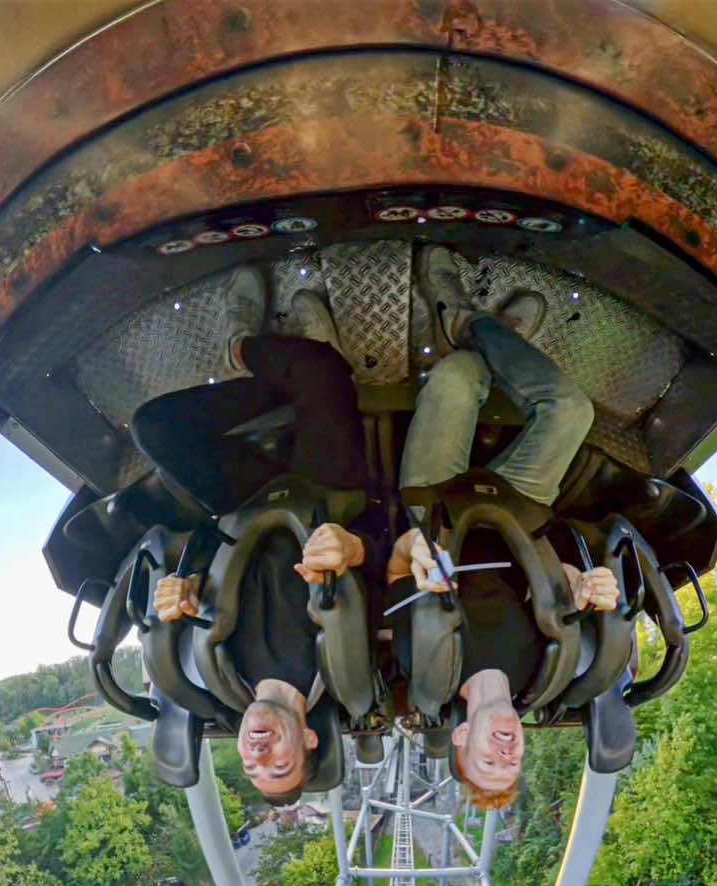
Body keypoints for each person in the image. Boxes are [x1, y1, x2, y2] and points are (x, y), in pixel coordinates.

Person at [135, 269, 393, 801]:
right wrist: (355, 547)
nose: (258, 757)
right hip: (328, 496)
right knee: (322, 372)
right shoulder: (349, 670)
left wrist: (183, 583)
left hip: (244, 506)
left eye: (253, 768)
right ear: (309, 738)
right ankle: (275, 358)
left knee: (155, 427)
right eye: (280, 765)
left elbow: (204, 553)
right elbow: (399, 571)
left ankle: (260, 363)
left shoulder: (218, 667)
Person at [387, 246, 619, 808]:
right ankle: (481, 329)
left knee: (457, 378)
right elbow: (551, 580)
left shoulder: (431, 671)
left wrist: (415, 552)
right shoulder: (543, 673)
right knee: (570, 412)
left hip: (438, 511)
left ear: (462, 737)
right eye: (512, 763)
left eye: (487, 761)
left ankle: (479, 337)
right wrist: (583, 585)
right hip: (519, 510)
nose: (506, 754)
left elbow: (394, 568)